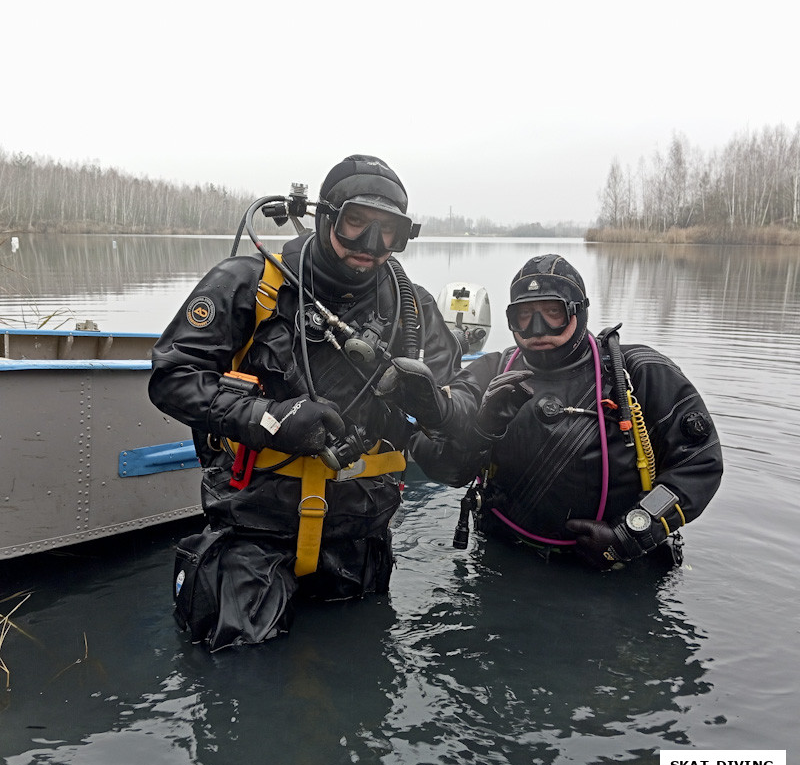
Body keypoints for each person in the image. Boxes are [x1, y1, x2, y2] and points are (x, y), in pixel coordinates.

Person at [149, 154, 479, 650]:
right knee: (240, 681)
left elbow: (462, 403)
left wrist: (438, 407)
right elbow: (172, 376)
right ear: (325, 215)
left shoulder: (413, 308)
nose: (371, 245)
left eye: (388, 231)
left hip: (358, 538)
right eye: (356, 223)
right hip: (254, 533)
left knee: (360, 690)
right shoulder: (251, 284)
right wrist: (268, 420)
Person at [410, 254, 723, 569]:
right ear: (510, 319)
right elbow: (444, 469)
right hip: (504, 561)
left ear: (578, 311)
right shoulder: (491, 372)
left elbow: (698, 464)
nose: (538, 328)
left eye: (553, 312)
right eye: (525, 315)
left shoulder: (637, 373)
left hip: (614, 570)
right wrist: (480, 429)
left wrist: (634, 530)